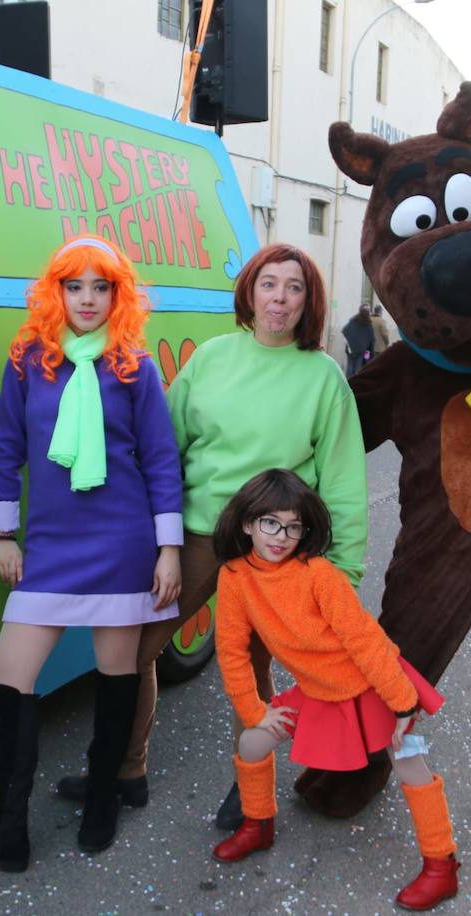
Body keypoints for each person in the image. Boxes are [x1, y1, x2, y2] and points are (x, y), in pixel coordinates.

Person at [54, 244, 368, 832]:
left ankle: (251, 791)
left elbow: (345, 480)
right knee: (136, 649)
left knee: (250, 672)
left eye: (293, 287)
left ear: (309, 301)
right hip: (198, 534)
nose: (279, 298)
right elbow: (163, 446)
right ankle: (126, 771)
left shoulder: (325, 378)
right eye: (268, 284)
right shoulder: (212, 359)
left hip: (273, 552)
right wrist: (143, 530)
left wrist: (342, 572)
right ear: (249, 292)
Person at [0, 236, 183, 872]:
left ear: (118, 296)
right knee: (8, 673)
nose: (88, 299)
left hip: (123, 541)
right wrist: (2, 534)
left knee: (116, 675)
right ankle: (4, 827)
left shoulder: (135, 367)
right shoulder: (27, 362)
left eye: (101, 287)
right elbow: (3, 447)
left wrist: (169, 549)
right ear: (56, 292)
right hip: (50, 544)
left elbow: (159, 461)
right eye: (75, 286)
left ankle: (102, 798)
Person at [208, 469, 456, 910]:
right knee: (251, 741)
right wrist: (254, 709)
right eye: (270, 522)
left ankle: (441, 866)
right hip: (318, 692)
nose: (281, 535)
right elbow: (231, 650)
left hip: (373, 684)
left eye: (292, 526)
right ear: (247, 523)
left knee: (409, 761)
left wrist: (402, 704)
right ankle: (257, 825)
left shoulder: (318, 574)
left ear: (305, 530)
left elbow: (365, 639)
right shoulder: (235, 577)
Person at [341, 304, 377, 377]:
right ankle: (355, 384)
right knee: (358, 368)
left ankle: (348, 383)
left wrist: (350, 341)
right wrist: (370, 357)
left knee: (350, 367)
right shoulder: (369, 326)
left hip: (350, 349)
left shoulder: (353, 321)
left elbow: (345, 330)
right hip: (361, 351)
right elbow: (371, 342)